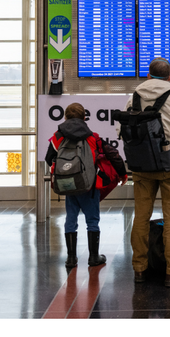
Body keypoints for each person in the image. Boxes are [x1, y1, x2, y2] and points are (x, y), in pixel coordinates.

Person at [124, 57, 170, 287]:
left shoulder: (133, 97)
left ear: (148, 75)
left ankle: (139, 269)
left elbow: (122, 129)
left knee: (141, 217)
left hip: (141, 168)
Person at [45, 102, 127, 269]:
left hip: (68, 185)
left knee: (70, 218)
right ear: (84, 118)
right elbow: (113, 154)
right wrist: (122, 173)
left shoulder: (57, 137)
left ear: (65, 117)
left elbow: (49, 158)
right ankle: (93, 257)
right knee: (92, 220)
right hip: (89, 186)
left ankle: (71, 259)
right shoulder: (93, 137)